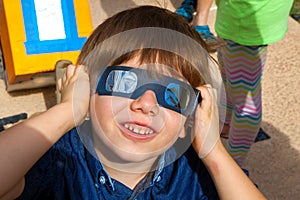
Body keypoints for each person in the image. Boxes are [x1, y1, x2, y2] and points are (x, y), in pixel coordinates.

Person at [0, 6, 266, 199]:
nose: (146, 103)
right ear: (87, 91)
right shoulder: (59, 160)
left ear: (191, 118)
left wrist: (214, 153)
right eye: (125, 82)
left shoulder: (194, 175)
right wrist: (65, 112)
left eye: (172, 94)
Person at [215, 0, 294, 167]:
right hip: (238, 20)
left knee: (246, 104)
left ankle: (234, 166)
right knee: (230, 80)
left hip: (243, 23)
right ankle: (227, 125)